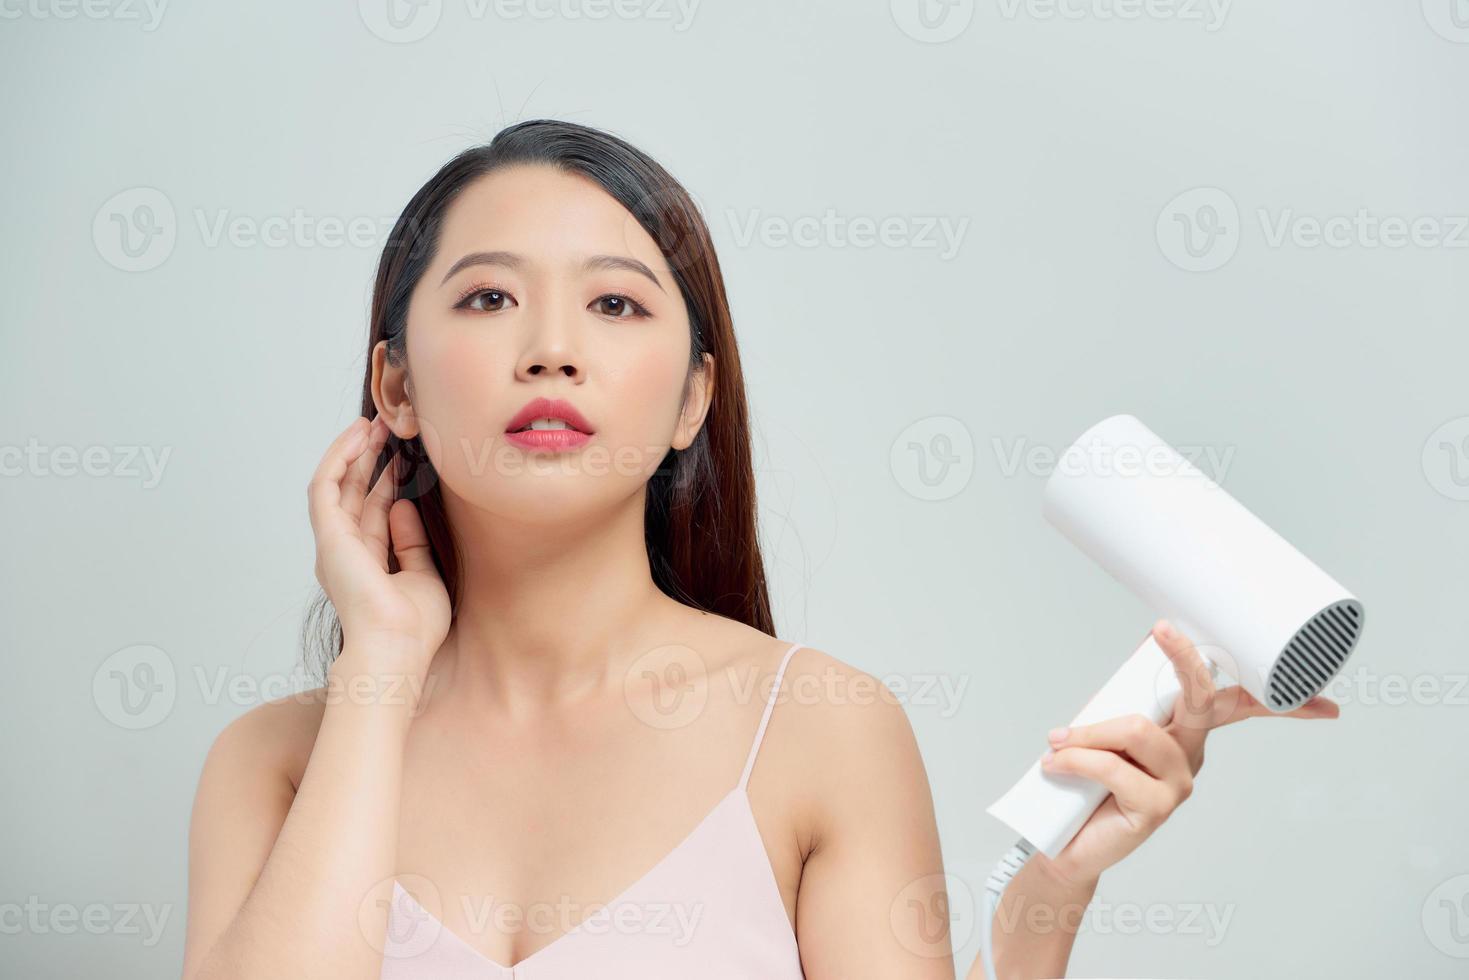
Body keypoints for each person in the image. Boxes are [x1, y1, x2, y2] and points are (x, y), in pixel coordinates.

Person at [180, 119, 1339, 980]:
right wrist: (378, 667)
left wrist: (1045, 898)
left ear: (692, 401)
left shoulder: (822, 730)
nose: (549, 349)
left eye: (617, 306)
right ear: (396, 384)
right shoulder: (275, 765)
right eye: (486, 299)